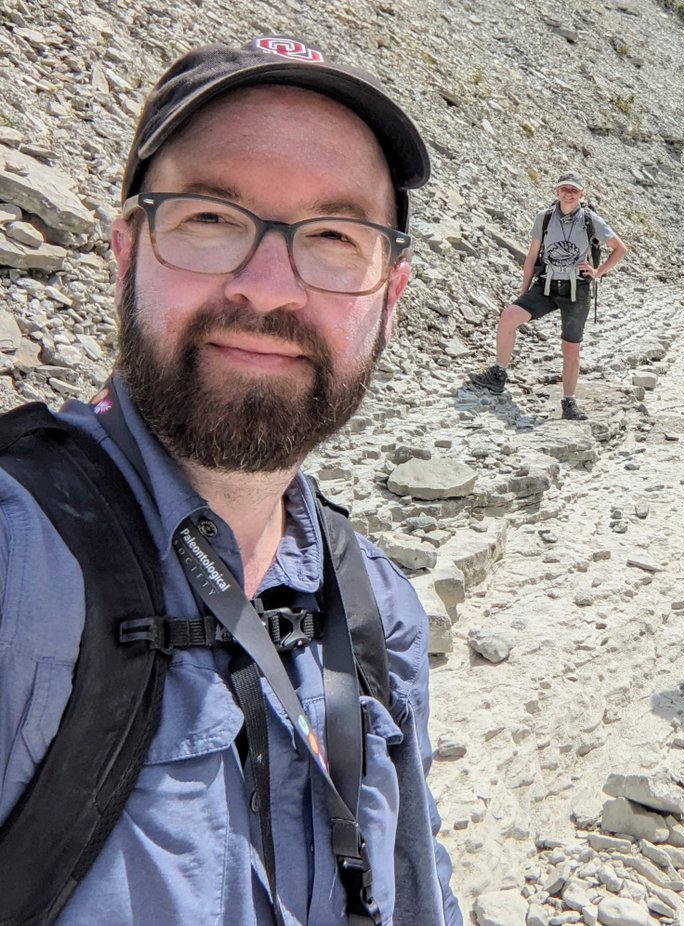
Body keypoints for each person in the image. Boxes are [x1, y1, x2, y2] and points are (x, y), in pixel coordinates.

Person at [0, 37, 462, 925]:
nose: (268, 286)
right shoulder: (22, 559)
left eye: (334, 237)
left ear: (391, 297)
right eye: (210, 218)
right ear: (126, 252)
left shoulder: (377, 609)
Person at [468, 172, 627, 420]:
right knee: (509, 316)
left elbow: (620, 248)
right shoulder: (544, 218)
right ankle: (498, 374)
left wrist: (597, 272)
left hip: (577, 289)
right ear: (557, 192)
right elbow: (531, 257)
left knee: (570, 349)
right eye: (564, 189)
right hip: (547, 285)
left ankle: (568, 402)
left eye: (574, 190)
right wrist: (524, 292)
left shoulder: (590, 219)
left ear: (581, 194)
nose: (568, 193)